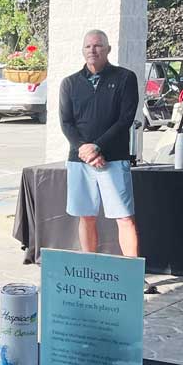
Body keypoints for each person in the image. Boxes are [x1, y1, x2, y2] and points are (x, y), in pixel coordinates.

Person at [59, 29, 140, 257]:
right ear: (82, 50)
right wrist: (86, 151)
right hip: (80, 161)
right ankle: (90, 270)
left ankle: (133, 275)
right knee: (86, 215)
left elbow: (125, 119)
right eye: (88, 46)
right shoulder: (69, 83)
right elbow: (66, 123)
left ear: (108, 49)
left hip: (113, 159)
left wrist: (98, 147)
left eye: (98, 46)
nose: (92, 50)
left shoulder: (125, 78)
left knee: (124, 217)